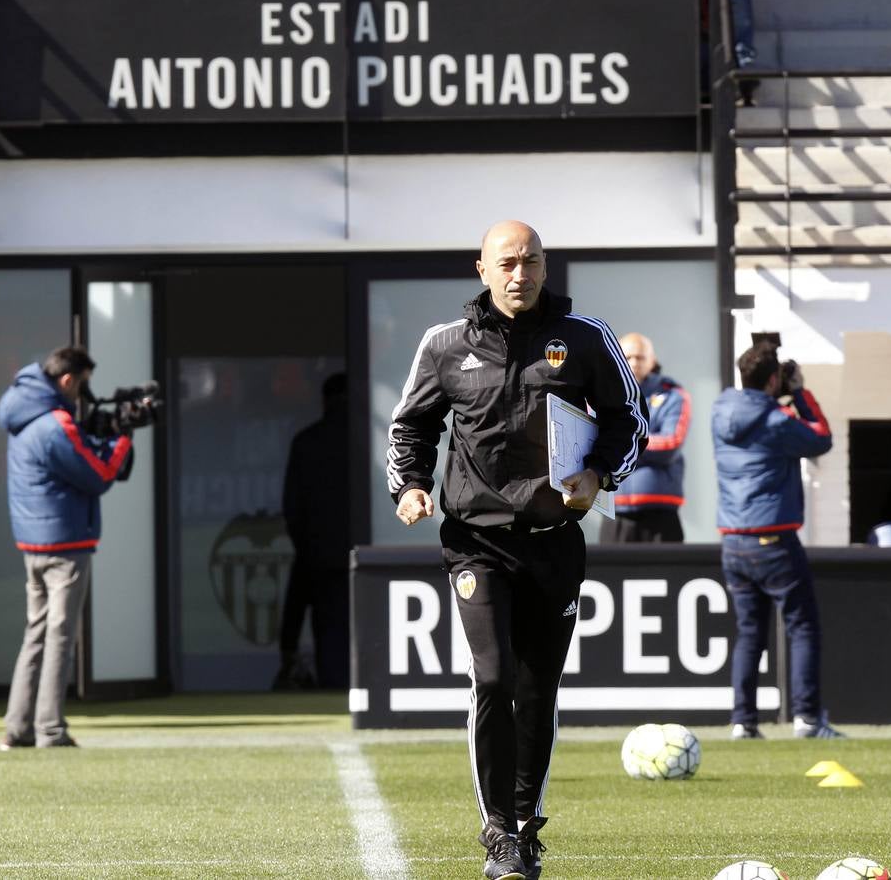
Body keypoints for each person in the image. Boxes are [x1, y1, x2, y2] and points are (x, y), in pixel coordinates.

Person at [387, 220, 648, 880]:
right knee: (494, 677)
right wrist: (411, 485)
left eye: (530, 260)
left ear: (544, 265)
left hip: (554, 541)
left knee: (537, 690)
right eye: (506, 261)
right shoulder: (445, 344)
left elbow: (628, 419)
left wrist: (601, 475)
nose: (519, 272)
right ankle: (497, 831)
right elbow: (410, 424)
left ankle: (527, 825)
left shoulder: (586, 337)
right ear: (481, 268)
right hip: (474, 543)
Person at [0, 346, 134, 749]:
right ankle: (50, 729)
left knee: (36, 634)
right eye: (83, 385)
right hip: (65, 542)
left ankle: (17, 727)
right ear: (68, 380)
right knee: (59, 635)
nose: (84, 396)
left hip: (33, 542)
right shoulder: (55, 423)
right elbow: (101, 473)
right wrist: (123, 434)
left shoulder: (22, 414)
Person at [712, 341, 843, 741]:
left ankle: (743, 721)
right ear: (773, 379)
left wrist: (778, 398)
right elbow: (821, 437)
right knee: (802, 627)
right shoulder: (776, 419)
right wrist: (800, 393)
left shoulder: (719, 411)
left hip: (732, 541)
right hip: (774, 540)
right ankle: (806, 719)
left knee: (750, 632)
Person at [273, 372, 351, 691]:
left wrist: (307, 547)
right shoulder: (369, 438)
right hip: (364, 551)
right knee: (368, 626)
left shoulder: (307, 441)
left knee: (328, 631)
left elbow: (293, 507)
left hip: (319, 556)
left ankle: (333, 687)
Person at [602, 333, 689, 544]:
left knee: (668, 574)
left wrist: (620, 444)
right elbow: (594, 440)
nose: (633, 363)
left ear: (652, 360)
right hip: (616, 510)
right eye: (627, 357)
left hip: (661, 512)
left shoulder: (673, 395)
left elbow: (671, 444)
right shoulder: (601, 393)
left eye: (640, 357)